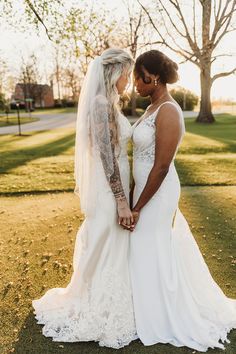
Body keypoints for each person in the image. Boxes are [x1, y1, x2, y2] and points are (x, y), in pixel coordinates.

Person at [129, 50, 236, 352]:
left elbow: (161, 167)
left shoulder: (169, 111)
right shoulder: (151, 108)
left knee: (151, 243)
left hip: (158, 193)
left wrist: (137, 207)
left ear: (155, 77)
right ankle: (148, 305)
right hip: (143, 190)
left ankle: (164, 311)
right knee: (145, 247)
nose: (136, 83)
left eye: (139, 77)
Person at [32, 48, 137, 349]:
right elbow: (106, 156)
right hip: (107, 192)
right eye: (126, 75)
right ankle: (97, 305)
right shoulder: (100, 103)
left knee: (109, 245)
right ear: (115, 73)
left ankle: (108, 300)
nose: (128, 82)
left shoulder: (108, 103)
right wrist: (120, 199)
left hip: (112, 188)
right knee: (107, 241)